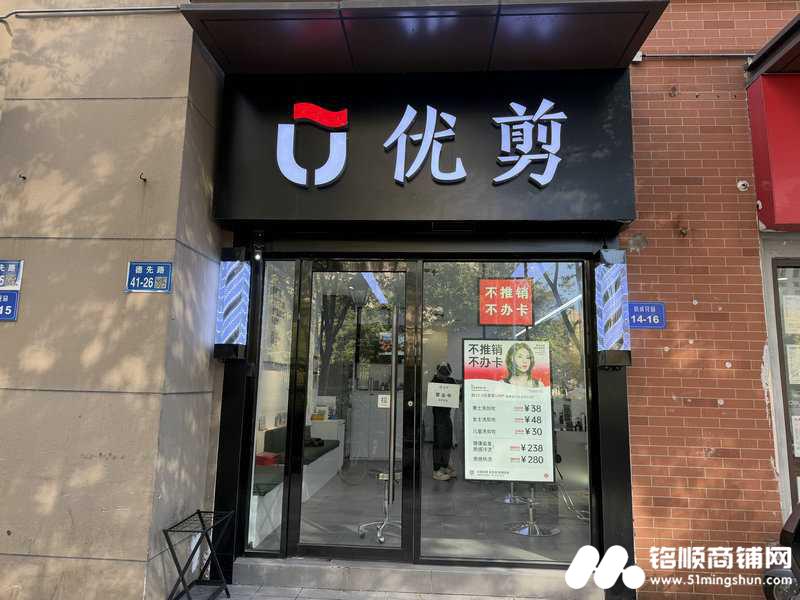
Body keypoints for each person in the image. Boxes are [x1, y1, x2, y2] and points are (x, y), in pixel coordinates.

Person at [431, 361, 458, 481]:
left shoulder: (450, 381)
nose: (444, 376)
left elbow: (456, 392)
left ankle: (444, 466)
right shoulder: (435, 382)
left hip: (447, 415)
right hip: (438, 416)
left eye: (446, 373)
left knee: (447, 441)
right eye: (442, 373)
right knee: (439, 442)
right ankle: (436, 470)